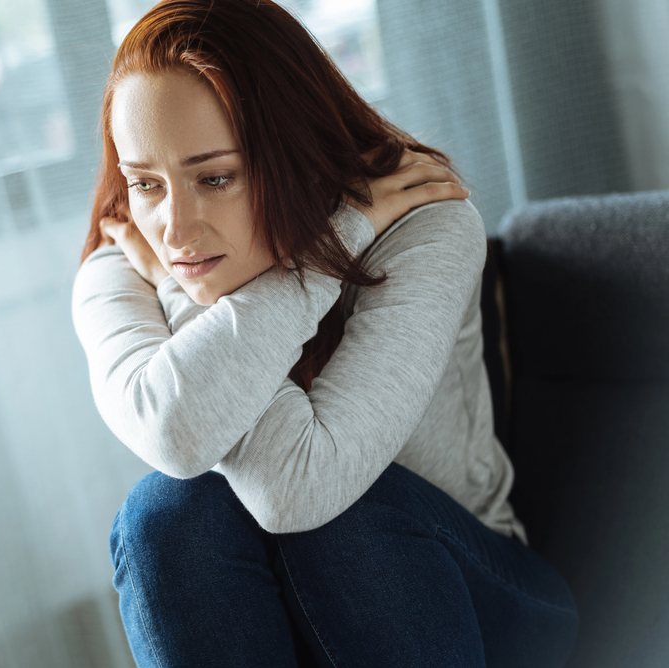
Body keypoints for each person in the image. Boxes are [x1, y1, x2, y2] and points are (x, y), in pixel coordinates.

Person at [71, 1, 579, 666]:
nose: (173, 229)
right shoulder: (125, 259)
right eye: (145, 184)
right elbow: (177, 429)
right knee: (165, 516)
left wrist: (325, 247)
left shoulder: (421, 224)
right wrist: (182, 287)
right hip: (284, 610)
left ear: (297, 154)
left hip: (479, 595)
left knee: (344, 518)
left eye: (214, 177)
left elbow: (297, 489)